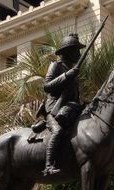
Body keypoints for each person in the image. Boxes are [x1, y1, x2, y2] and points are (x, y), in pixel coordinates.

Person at [39, 33, 85, 176]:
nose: (79, 53)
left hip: (71, 107)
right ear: (68, 52)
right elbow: (47, 86)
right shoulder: (56, 66)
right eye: (76, 50)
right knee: (57, 131)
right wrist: (66, 76)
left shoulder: (74, 69)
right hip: (54, 109)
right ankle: (48, 166)